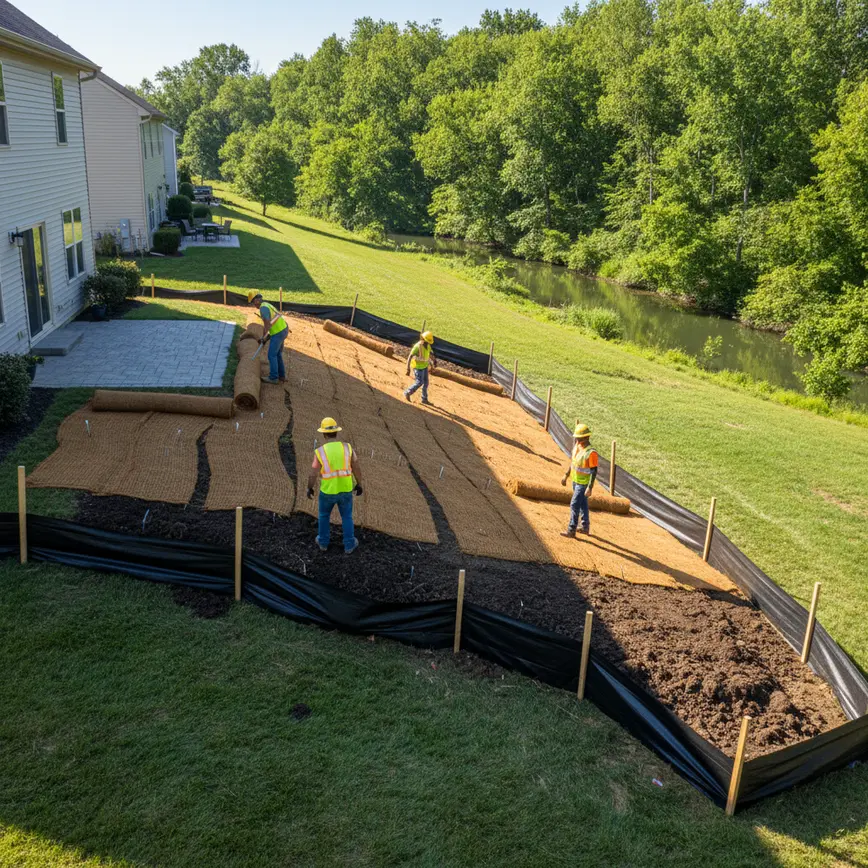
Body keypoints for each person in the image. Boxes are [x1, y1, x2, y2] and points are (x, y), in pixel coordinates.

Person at [306, 417, 364, 554]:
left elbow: (313, 473)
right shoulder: (347, 448)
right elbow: (356, 466)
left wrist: (310, 487)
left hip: (327, 492)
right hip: (345, 490)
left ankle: (323, 542)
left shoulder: (320, 452)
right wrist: (359, 484)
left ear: (324, 434)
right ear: (336, 432)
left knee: (324, 516)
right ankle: (349, 544)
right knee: (347, 517)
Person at [560, 423, 599, 537]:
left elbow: (594, 471)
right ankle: (585, 527)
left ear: (586, 437)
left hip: (583, 484)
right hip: (575, 480)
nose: (577, 439)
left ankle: (571, 530)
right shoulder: (577, 447)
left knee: (574, 504)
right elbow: (573, 463)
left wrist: (590, 488)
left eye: (579, 437)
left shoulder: (591, 453)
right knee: (583, 504)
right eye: (576, 437)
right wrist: (566, 475)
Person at [247, 291, 290, 384]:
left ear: (257, 300)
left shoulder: (263, 308)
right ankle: (282, 376)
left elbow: (267, 325)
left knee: (271, 355)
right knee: (278, 354)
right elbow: (272, 322)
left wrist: (263, 337)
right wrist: (266, 338)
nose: (254, 304)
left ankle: (274, 377)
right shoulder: (266, 304)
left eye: (253, 302)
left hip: (278, 333)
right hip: (283, 329)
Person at [404, 330, 435, 405]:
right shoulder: (417, 346)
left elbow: (429, 355)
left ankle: (424, 399)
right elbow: (410, 356)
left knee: (426, 383)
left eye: (428, 342)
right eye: (427, 341)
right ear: (423, 339)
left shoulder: (428, 346)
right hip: (417, 367)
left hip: (424, 366)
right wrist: (407, 368)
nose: (428, 343)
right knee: (419, 382)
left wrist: (432, 364)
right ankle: (407, 392)